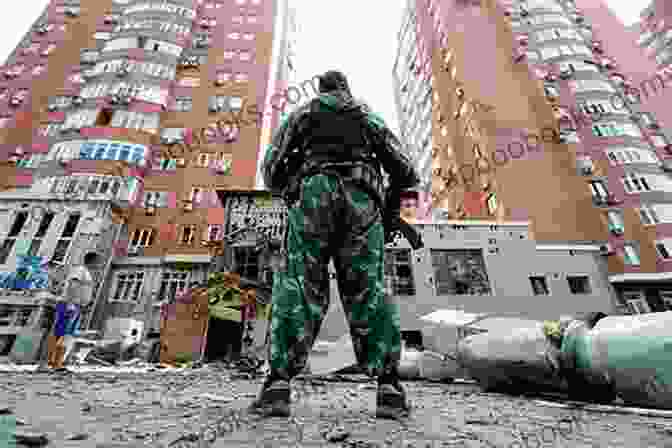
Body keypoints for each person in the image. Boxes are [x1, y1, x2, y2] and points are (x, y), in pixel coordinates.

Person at [251, 70, 420, 419]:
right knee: (369, 288)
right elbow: (404, 168)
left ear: (321, 89)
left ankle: (278, 386)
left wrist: (292, 189)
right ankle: (388, 388)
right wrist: (386, 201)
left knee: (298, 283)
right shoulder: (366, 114)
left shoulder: (302, 114)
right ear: (346, 88)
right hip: (362, 202)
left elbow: (269, 169)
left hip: (313, 196)